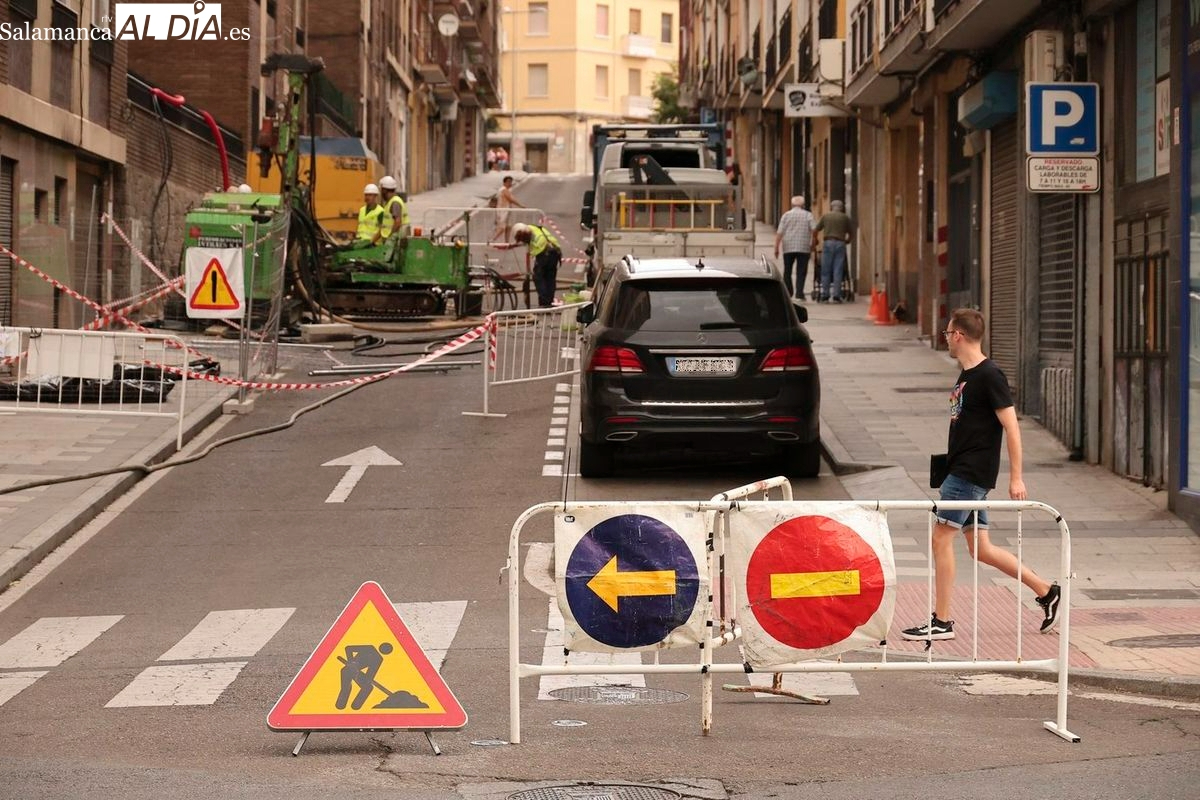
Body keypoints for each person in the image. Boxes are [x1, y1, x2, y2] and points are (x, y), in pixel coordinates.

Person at [900, 308, 1061, 642]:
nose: (946, 339)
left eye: (947, 334)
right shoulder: (967, 375)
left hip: (969, 473)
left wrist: (1016, 477)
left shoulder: (990, 375)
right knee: (981, 550)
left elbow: (1012, 428)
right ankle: (1046, 591)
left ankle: (941, 621)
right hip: (962, 471)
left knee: (940, 539)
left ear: (958, 335)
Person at [813, 199, 855, 303]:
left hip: (828, 242)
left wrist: (816, 239)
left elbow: (816, 230)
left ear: (831, 207)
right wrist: (847, 240)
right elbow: (851, 232)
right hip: (840, 243)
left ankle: (825, 294)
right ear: (841, 208)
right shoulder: (845, 217)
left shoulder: (826, 216)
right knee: (838, 269)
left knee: (825, 269)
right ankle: (837, 295)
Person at [512, 221, 561, 308]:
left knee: (538, 277)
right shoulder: (534, 228)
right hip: (555, 251)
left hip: (545, 253)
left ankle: (544, 302)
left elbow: (529, 240)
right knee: (550, 278)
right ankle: (548, 302)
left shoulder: (527, 233)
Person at [774, 195, 815, 298]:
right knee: (801, 271)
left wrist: (776, 247)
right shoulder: (808, 215)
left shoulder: (786, 215)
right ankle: (799, 293)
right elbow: (814, 229)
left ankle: (788, 292)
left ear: (792, 204)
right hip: (803, 247)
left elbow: (780, 232)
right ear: (803, 205)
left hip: (788, 247)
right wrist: (813, 242)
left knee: (787, 270)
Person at [491, 175, 525, 242]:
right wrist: (520, 205)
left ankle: (506, 242)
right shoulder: (503, 190)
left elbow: (511, 198)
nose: (510, 184)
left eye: (511, 182)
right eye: (509, 182)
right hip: (502, 210)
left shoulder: (506, 190)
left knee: (508, 227)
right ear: (505, 182)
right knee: (502, 227)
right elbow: (511, 199)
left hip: (507, 210)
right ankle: (492, 239)